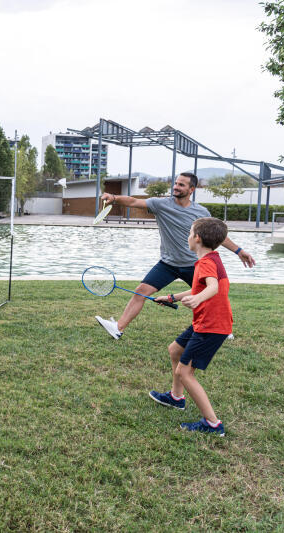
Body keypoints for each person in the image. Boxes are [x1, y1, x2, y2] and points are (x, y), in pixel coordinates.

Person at [94, 172, 255, 340]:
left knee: (213, 296)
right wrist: (114, 197)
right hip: (167, 264)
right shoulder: (161, 204)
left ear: (192, 189)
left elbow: (218, 235)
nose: (176, 187)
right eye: (176, 183)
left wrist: (239, 251)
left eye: (181, 185)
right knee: (141, 291)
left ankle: (223, 329)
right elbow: (133, 201)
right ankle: (118, 328)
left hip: (193, 264)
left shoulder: (201, 211)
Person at [149, 217, 232, 436]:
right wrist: (172, 297)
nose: (188, 237)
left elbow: (212, 287)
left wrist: (197, 300)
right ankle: (176, 398)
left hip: (211, 326)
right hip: (205, 323)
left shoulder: (206, 263)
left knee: (185, 372)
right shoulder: (212, 258)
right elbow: (200, 287)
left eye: (189, 233)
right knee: (175, 350)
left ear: (196, 238)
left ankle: (213, 424)